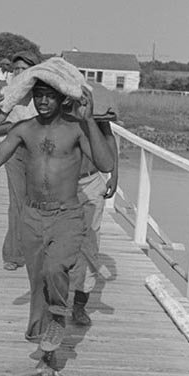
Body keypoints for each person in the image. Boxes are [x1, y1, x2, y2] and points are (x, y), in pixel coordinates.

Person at [0, 78, 115, 373]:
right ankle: (47, 352)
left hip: (66, 215)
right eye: (38, 96)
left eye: (50, 96)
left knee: (55, 269)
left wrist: (89, 121)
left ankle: (57, 317)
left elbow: (105, 165)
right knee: (38, 283)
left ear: (62, 98)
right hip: (32, 217)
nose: (43, 102)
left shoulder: (76, 128)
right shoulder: (24, 129)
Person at [69, 91, 119, 326]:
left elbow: (109, 138)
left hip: (91, 180)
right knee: (54, 241)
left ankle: (80, 303)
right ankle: (51, 301)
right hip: (61, 183)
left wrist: (114, 175)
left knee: (89, 243)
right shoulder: (55, 102)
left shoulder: (93, 102)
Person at [0, 49, 39, 270]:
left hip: (41, 154)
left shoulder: (43, 94)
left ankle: (37, 251)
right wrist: (20, 126)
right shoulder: (7, 93)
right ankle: (12, 254)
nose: (20, 73)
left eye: (25, 69)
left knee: (39, 203)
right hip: (15, 152)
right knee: (18, 202)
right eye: (16, 69)